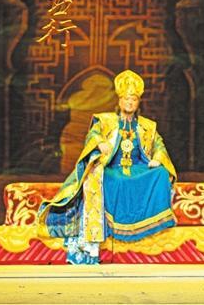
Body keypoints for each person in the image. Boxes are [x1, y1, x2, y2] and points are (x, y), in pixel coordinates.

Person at [38, 70, 177, 264]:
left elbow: (159, 144)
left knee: (161, 173)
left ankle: (150, 223)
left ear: (138, 103)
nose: (130, 103)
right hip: (112, 169)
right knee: (103, 177)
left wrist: (158, 158)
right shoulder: (105, 121)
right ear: (120, 100)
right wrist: (99, 142)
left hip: (138, 169)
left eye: (134, 99)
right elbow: (93, 135)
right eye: (127, 99)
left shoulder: (147, 126)